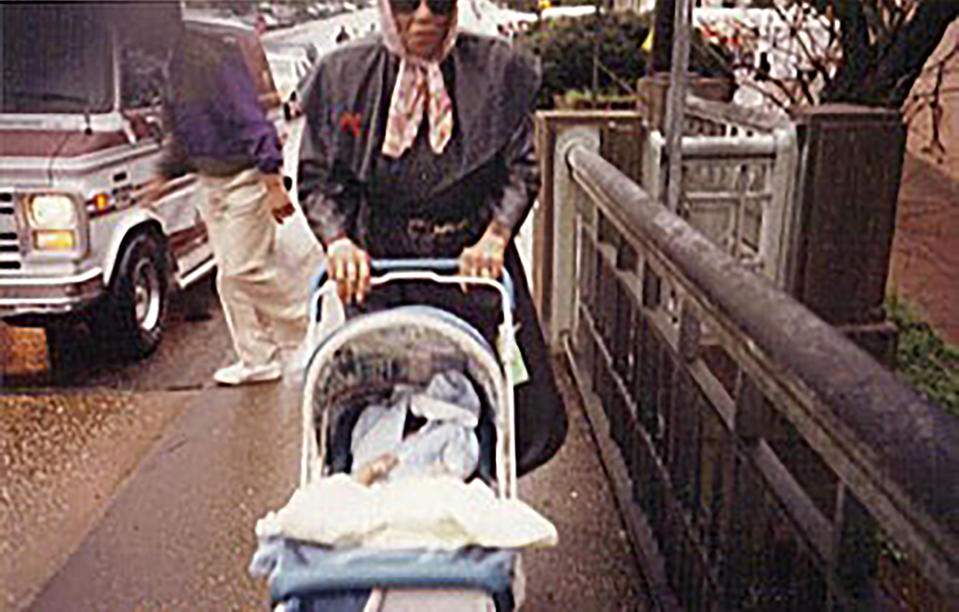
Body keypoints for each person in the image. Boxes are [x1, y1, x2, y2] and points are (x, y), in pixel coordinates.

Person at [297, 0, 567, 475]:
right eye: (406, 4)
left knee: (498, 398)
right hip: (381, 266)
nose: (424, 17)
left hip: (470, 262)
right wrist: (337, 240)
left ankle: (475, 486)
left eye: (439, 3)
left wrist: (497, 234)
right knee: (383, 391)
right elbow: (319, 177)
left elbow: (521, 169)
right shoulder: (342, 74)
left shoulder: (498, 69)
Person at [154, 29, 308, 386]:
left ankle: (311, 326)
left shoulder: (213, 57)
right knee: (227, 278)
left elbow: (252, 119)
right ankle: (257, 360)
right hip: (212, 184)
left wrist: (272, 181)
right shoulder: (167, 68)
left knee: (245, 269)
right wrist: (163, 175)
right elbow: (184, 134)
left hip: (245, 180)